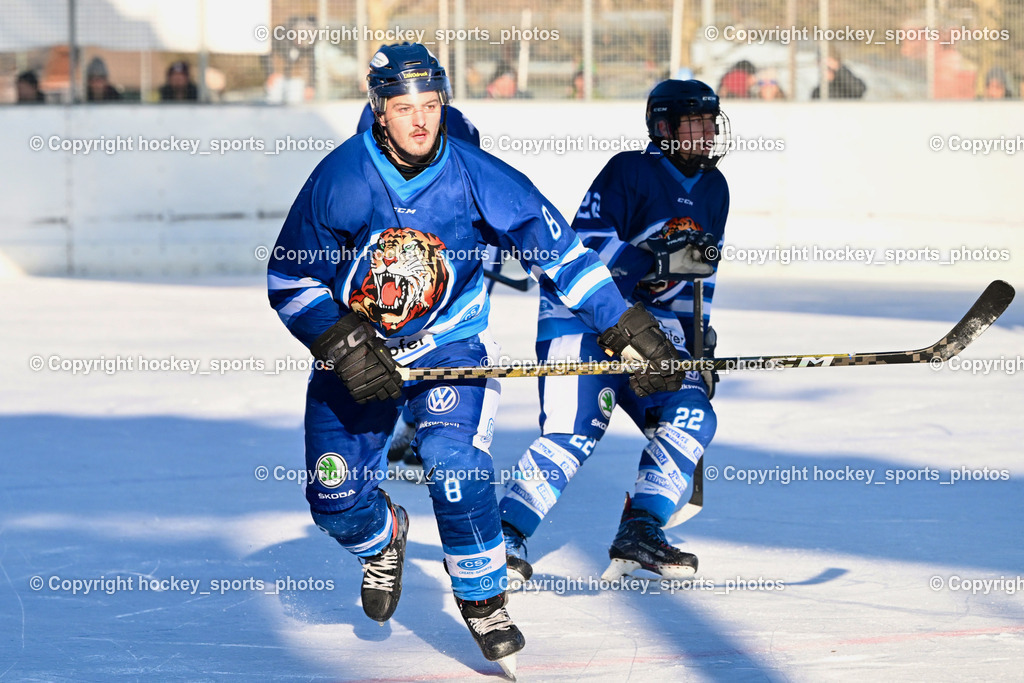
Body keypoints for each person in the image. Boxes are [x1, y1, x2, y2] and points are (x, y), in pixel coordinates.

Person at [267, 42, 683, 676]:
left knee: (455, 469)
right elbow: (289, 280)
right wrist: (343, 343)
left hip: (450, 353)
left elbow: (563, 258)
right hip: (359, 358)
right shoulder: (341, 177)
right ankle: (384, 539)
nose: (419, 121)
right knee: (334, 500)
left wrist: (627, 326)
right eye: (403, 107)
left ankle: (484, 599)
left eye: (431, 106)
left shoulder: (477, 173)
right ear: (379, 109)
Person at [498, 79, 730, 586]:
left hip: (656, 327)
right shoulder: (630, 171)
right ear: (663, 128)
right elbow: (583, 248)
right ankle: (504, 535)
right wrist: (654, 257)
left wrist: (697, 344)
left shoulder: (715, 188)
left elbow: (699, 280)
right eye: (695, 122)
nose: (707, 132)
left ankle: (641, 529)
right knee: (573, 434)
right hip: (582, 318)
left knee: (692, 415)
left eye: (711, 122)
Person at [355, 95, 486, 470]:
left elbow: (474, 182)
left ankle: (419, 422)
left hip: (445, 248)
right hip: (396, 247)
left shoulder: (457, 122)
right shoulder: (375, 118)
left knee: (446, 335)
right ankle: (394, 425)